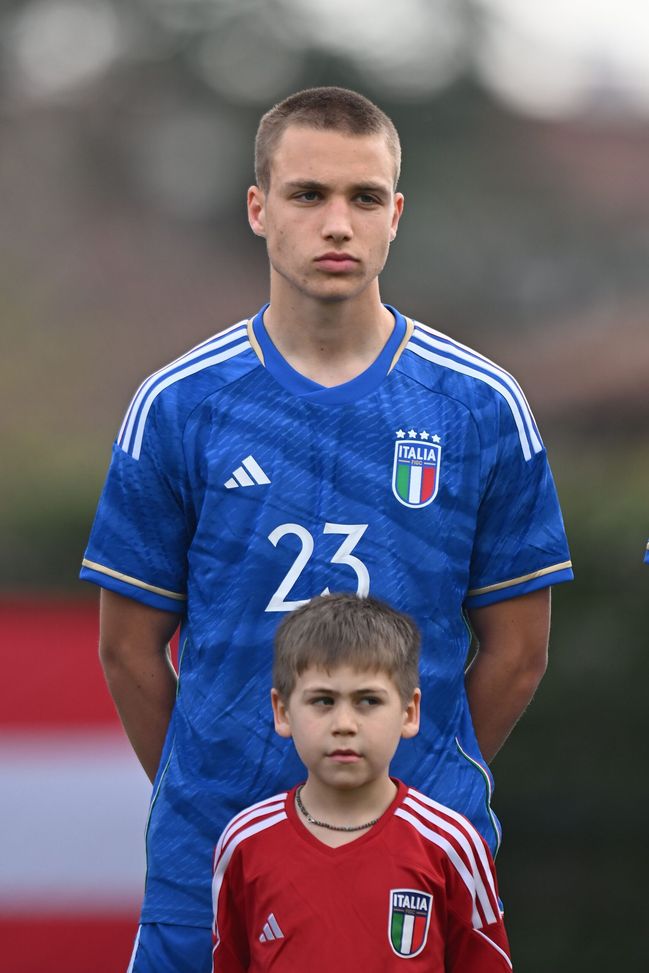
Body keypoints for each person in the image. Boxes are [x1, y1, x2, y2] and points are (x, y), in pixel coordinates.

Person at [80, 86, 572, 972]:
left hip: (410, 864)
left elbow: (518, 652)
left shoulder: (481, 407)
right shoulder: (178, 405)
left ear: (396, 215)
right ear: (259, 209)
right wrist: (223, 793)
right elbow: (127, 649)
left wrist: (411, 785)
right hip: (213, 856)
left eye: (364, 197)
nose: (337, 222)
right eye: (308, 195)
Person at [212, 593, 512, 972]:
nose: (344, 724)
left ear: (409, 712)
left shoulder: (452, 845)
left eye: (368, 701)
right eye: (322, 701)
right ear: (282, 712)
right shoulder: (244, 842)